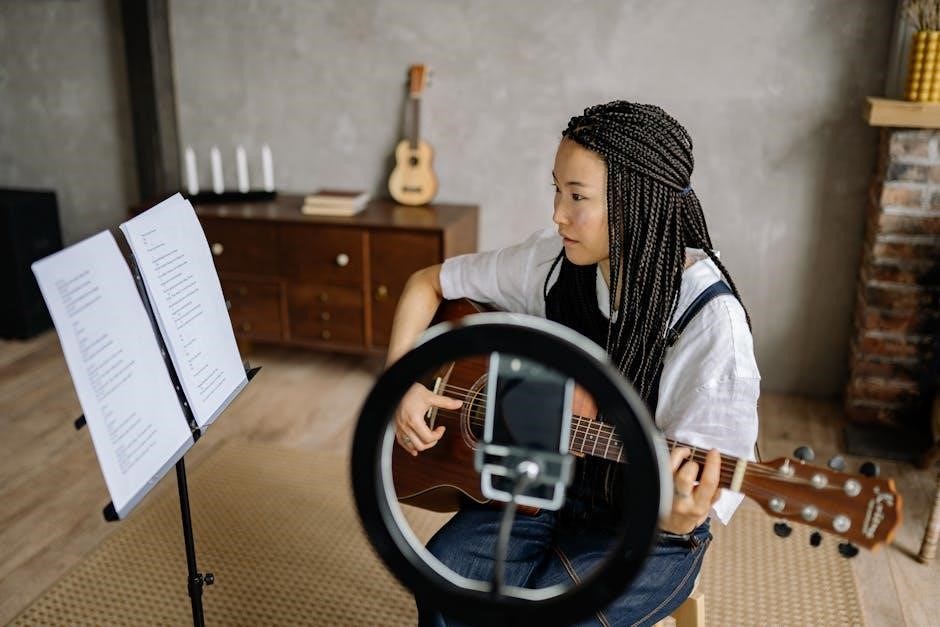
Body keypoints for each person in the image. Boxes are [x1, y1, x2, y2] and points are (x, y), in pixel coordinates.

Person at [385, 100, 760, 626]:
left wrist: (679, 517)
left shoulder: (710, 324)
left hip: (646, 530)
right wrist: (401, 382)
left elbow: (693, 501)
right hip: (544, 486)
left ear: (638, 203)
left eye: (577, 196)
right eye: (557, 190)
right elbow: (428, 283)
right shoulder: (552, 261)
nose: (557, 213)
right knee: (445, 583)